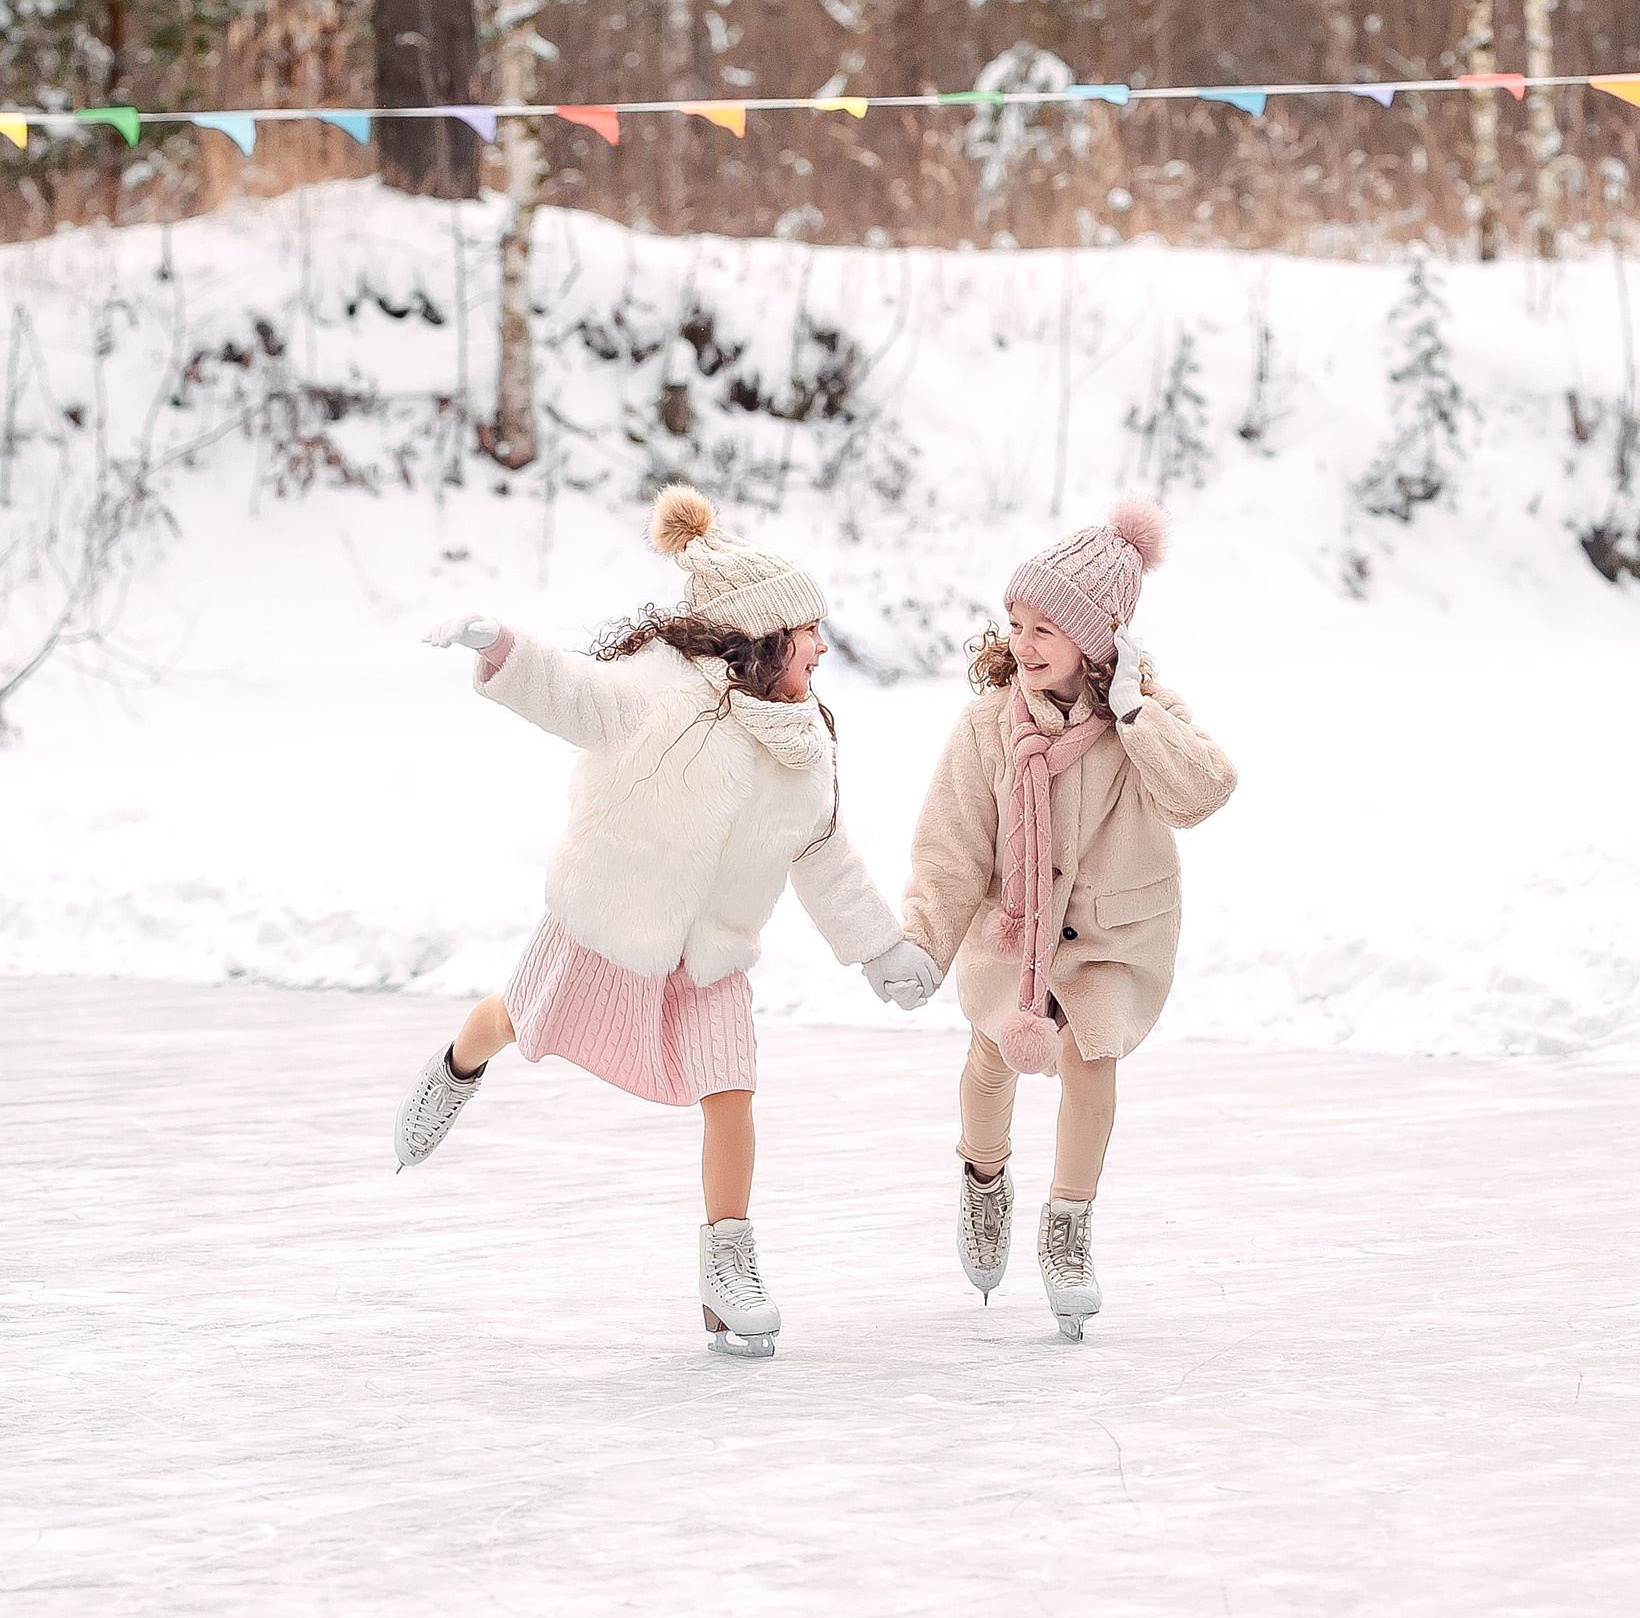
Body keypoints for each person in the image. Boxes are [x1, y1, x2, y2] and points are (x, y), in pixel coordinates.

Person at [403, 484, 941, 1358]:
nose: (825, 647)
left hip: (712, 955)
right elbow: (571, 693)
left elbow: (826, 856)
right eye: (811, 633)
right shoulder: (659, 694)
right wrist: (500, 648)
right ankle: (457, 1067)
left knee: (732, 1096)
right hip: (614, 921)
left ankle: (726, 1272)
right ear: (765, 638)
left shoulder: (803, 748)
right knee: (518, 1019)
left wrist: (880, 951)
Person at [901, 501, 1236, 1339]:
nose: (1025, 643)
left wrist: (1134, 713)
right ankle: (984, 1178)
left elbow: (1204, 793)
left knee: (1094, 1064)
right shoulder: (987, 726)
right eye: (1017, 623)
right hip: (1012, 932)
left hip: (1113, 941)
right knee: (990, 1062)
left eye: (1047, 627)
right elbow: (949, 852)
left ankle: (1069, 1226)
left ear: (1101, 635)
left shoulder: (1144, 719)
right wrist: (922, 947)